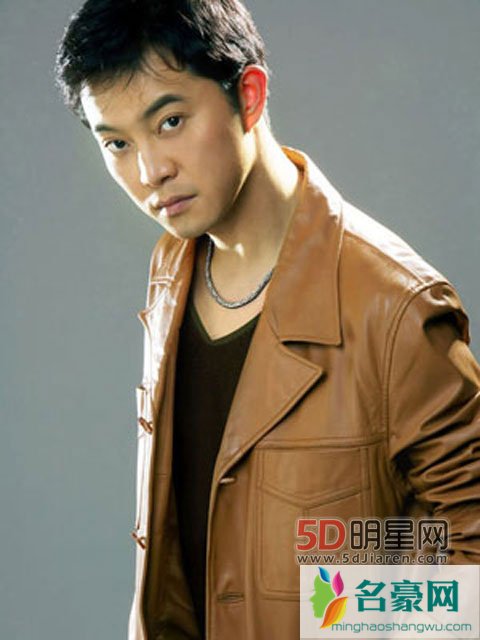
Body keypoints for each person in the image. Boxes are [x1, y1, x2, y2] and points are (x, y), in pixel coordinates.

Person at [55, 1, 480, 638]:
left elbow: (469, 549)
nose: (150, 172)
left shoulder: (395, 305)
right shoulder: (173, 266)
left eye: (170, 122)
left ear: (248, 96)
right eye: (117, 143)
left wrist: (339, 618)